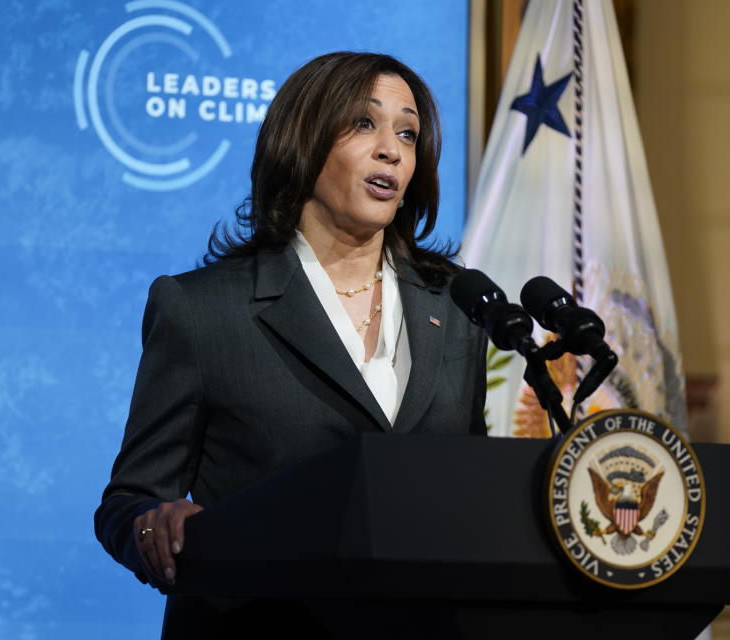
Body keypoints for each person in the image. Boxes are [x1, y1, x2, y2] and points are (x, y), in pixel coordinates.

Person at [93, 51, 488, 636]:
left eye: (408, 132)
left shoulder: (456, 306)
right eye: (363, 124)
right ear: (302, 140)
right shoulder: (204, 310)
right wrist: (155, 527)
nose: (391, 149)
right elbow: (129, 500)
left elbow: (468, 482)